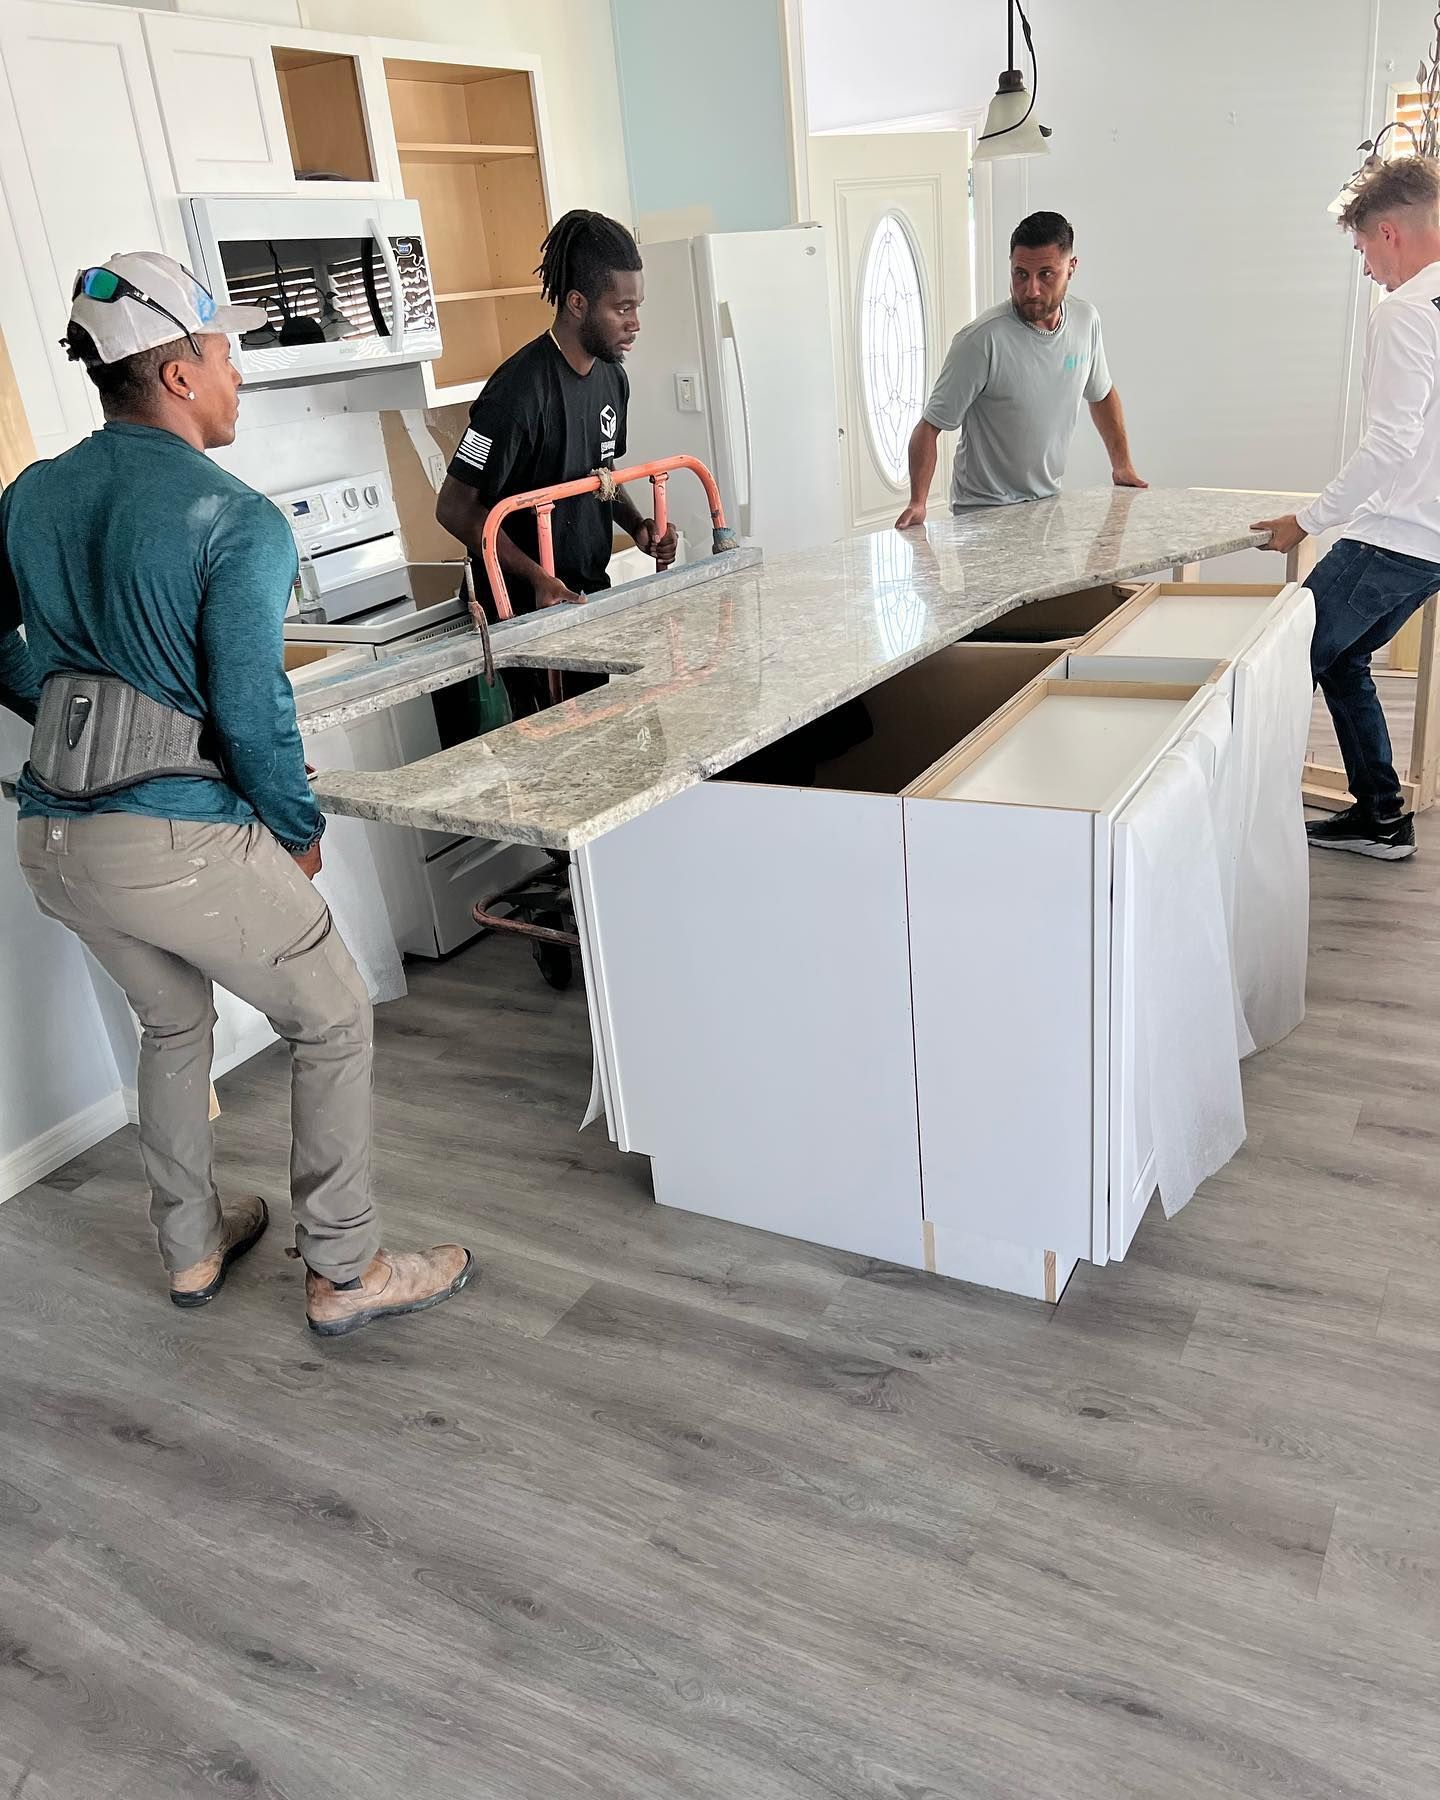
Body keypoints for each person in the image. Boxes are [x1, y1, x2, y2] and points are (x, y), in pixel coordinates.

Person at [5, 251, 471, 1336]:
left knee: (171, 1025)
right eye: (224, 354)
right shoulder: (234, 516)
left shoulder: (29, 496)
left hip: (53, 842)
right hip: (175, 844)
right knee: (335, 1015)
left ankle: (192, 1250)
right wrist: (297, 832)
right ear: (178, 374)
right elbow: (254, 711)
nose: (237, 375)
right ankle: (346, 1270)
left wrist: (73, 722)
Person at [1253, 157, 1440, 862]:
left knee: (1282, 660)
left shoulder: (1405, 312)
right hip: (1429, 543)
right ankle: (1382, 817)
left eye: (1363, 248)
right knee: (1342, 659)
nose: (1366, 268)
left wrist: (1307, 520)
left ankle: (1240, 825)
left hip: (1394, 536)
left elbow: (1389, 444)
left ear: (1388, 233)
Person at [436, 209, 677, 713]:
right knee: (553, 745)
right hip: (526, 611)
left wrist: (639, 526)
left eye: (637, 307)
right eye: (622, 308)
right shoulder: (517, 393)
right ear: (577, 303)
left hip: (586, 596)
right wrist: (536, 578)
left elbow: (601, 474)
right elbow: (454, 508)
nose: (635, 323)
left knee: (602, 734)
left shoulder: (612, 377)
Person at [895, 210, 1146, 529]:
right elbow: (930, 427)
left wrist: (1122, 466)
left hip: (1048, 505)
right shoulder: (981, 340)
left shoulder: (1085, 321)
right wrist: (917, 502)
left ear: (1071, 267)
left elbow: (1102, 393)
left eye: (1046, 274)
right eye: (1021, 274)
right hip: (984, 513)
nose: (1031, 290)